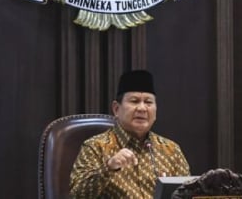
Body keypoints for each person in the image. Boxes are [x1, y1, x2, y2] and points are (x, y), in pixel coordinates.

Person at [70, 69, 190, 198]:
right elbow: (77, 195)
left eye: (148, 102)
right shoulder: (95, 147)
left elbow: (189, 193)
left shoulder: (171, 150)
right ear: (116, 109)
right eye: (134, 101)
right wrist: (109, 168)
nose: (142, 108)